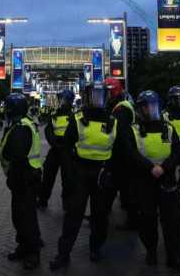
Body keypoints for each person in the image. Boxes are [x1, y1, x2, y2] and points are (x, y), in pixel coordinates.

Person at [49, 83, 118, 270]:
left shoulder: (113, 121)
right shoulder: (78, 118)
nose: (97, 99)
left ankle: (96, 248)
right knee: (73, 215)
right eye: (93, 95)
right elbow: (66, 149)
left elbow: (119, 151)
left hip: (101, 174)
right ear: (87, 97)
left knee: (100, 216)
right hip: (80, 172)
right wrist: (70, 173)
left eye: (100, 95)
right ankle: (63, 254)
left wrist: (110, 171)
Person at [126, 90, 180, 274]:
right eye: (145, 106)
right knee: (147, 220)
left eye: (152, 106)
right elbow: (131, 153)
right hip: (144, 181)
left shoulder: (168, 128)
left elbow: (178, 152)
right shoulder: (134, 130)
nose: (149, 110)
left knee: (173, 221)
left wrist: (164, 168)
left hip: (166, 178)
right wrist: (150, 167)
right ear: (140, 109)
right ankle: (151, 251)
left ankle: (174, 257)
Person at [0, 93, 43, 270]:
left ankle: (33, 252)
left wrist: (12, 177)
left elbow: (16, 155)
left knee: (26, 218)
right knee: (19, 216)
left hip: (25, 178)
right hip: (23, 178)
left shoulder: (21, 127)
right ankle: (24, 247)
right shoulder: (21, 124)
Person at [104, 78, 137, 230]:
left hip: (122, 155)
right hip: (121, 154)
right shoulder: (118, 107)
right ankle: (104, 212)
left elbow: (119, 133)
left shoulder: (121, 109)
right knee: (117, 186)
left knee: (121, 187)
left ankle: (132, 220)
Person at [38, 89, 74, 209]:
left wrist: (67, 144)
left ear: (68, 101)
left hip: (67, 150)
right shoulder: (54, 115)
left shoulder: (74, 116)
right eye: (60, 99)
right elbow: (48, 130)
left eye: (62, 99)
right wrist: (54, 143)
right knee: (48, 176)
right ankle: (43, 200)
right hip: (55, 149)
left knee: (68, 178)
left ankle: (67, 202)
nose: (60, 101)